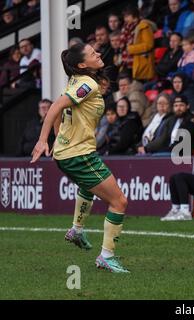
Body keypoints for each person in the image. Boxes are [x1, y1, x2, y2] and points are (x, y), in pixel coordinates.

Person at [30, 43, 129, 273]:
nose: (98, 53)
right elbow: (55, 107)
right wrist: (44, 139)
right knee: (119, 202)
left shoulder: (76, 80)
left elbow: (59, 107)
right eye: (93, 53)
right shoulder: (87, 83)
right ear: (82, 64)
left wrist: (58, 138)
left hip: (70, 153)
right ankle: (106, 256)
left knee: (89, 187)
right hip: (78, 155)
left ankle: (77, 229)